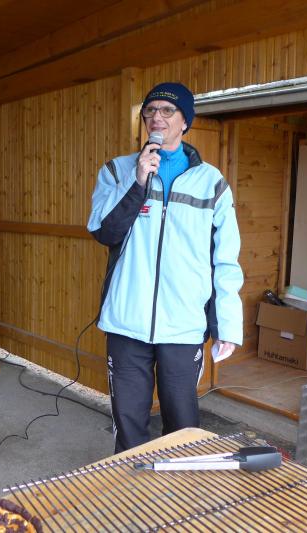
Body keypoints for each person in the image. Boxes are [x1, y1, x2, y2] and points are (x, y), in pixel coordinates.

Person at [87, 82, 243, 452]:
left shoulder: (212, 183)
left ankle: (178, 485)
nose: (157, 117)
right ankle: (130, 485)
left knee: (183, 426)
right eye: (150, 110)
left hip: (184, 324)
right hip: (126, 321)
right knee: (128, 425)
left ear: (185, 121)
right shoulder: (117, 171)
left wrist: (227, 324)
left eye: (167, 110)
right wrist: (138, 180)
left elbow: (225, 259)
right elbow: (104, 230)